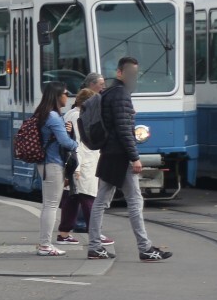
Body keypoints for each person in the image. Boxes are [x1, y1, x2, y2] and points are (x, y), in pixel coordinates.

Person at [88, 56, 172, 262]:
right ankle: (145, 248)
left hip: (109, 153)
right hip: (121, 156)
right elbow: (125, 129)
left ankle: (94, 246)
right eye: (131, 73)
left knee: (101, 201)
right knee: (134, 201)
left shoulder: (110, 93)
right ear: (119, 73)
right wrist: (135, 157)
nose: (134, 77)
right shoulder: (121, 95)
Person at [56, 88, 112, 247]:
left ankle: (64, 233)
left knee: (72, 199)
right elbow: (78, 144)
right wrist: (77, 167)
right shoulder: (78, 116)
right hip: (83, 163)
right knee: (89, 199)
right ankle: (95, 233)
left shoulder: (71, 114)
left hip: (79, 163)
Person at [33, 81, 78, 256]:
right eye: (66, 93)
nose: (68, 96)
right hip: (52, 164)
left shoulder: (44, 113)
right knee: (51, 205)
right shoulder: (53, 116)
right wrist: (76, 144)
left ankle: (45, 243)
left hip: (45, 163)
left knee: (48, 205)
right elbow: (65, 142)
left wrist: (65, 131)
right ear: (57, 95)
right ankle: (45, 245)